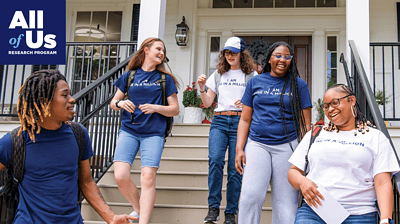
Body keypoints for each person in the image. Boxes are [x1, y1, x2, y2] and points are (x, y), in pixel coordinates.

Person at [0, 70, 136, 223]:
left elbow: (86, 181)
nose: (72, 100)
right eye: (65, 95)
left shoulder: (78, 134)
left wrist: (111, 217)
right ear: (45, 101)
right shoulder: (15, 140)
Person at [288, 84, 400, 224]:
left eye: (335, 103)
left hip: (360, 214)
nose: (330, 109)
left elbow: (383, 182)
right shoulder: (316, 134)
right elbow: (293, 172)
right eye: (326, 106)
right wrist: (302, 181)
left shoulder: (375, 137)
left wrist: (385, 219)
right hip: (315, 211)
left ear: (351, 100)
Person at [235, 41, 312, 224]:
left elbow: (305, 125)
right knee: (250, 196)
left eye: (287, 56)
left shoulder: (299, 85)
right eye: (278, 55)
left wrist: (304, 154)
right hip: (257, 144)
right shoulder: (255, 82)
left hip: (288, 145)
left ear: (291, 61)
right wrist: (239, 148)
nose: (282, 60)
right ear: (269, 58)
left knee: (286, 202)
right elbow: (245, 119)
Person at [110, 37, 179, 224]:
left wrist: (156, 108)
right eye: (158, 48)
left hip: (153, 133)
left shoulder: (165, 79)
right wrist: (121, 102)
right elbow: (113, 103)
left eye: (163, 50)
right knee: (120, 175)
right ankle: (139, 210)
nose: (161, 53)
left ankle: (143, 221)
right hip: (129, 130)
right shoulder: (129, 76)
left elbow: (175, 109)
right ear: (146, 50)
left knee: (147, 178)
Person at [198, 36, 257, 224]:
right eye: (227, 52)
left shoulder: (251, 76)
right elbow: (207, 102)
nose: (230, 56)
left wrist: (247, 103)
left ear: (242, 54)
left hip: (240, 122)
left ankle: (231, 212)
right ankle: (213, 208)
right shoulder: (218, 74)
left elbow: (257, 102)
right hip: (220, 120)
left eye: (234, 52)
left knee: (235, 168)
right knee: (215, 161)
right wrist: (201, 88)